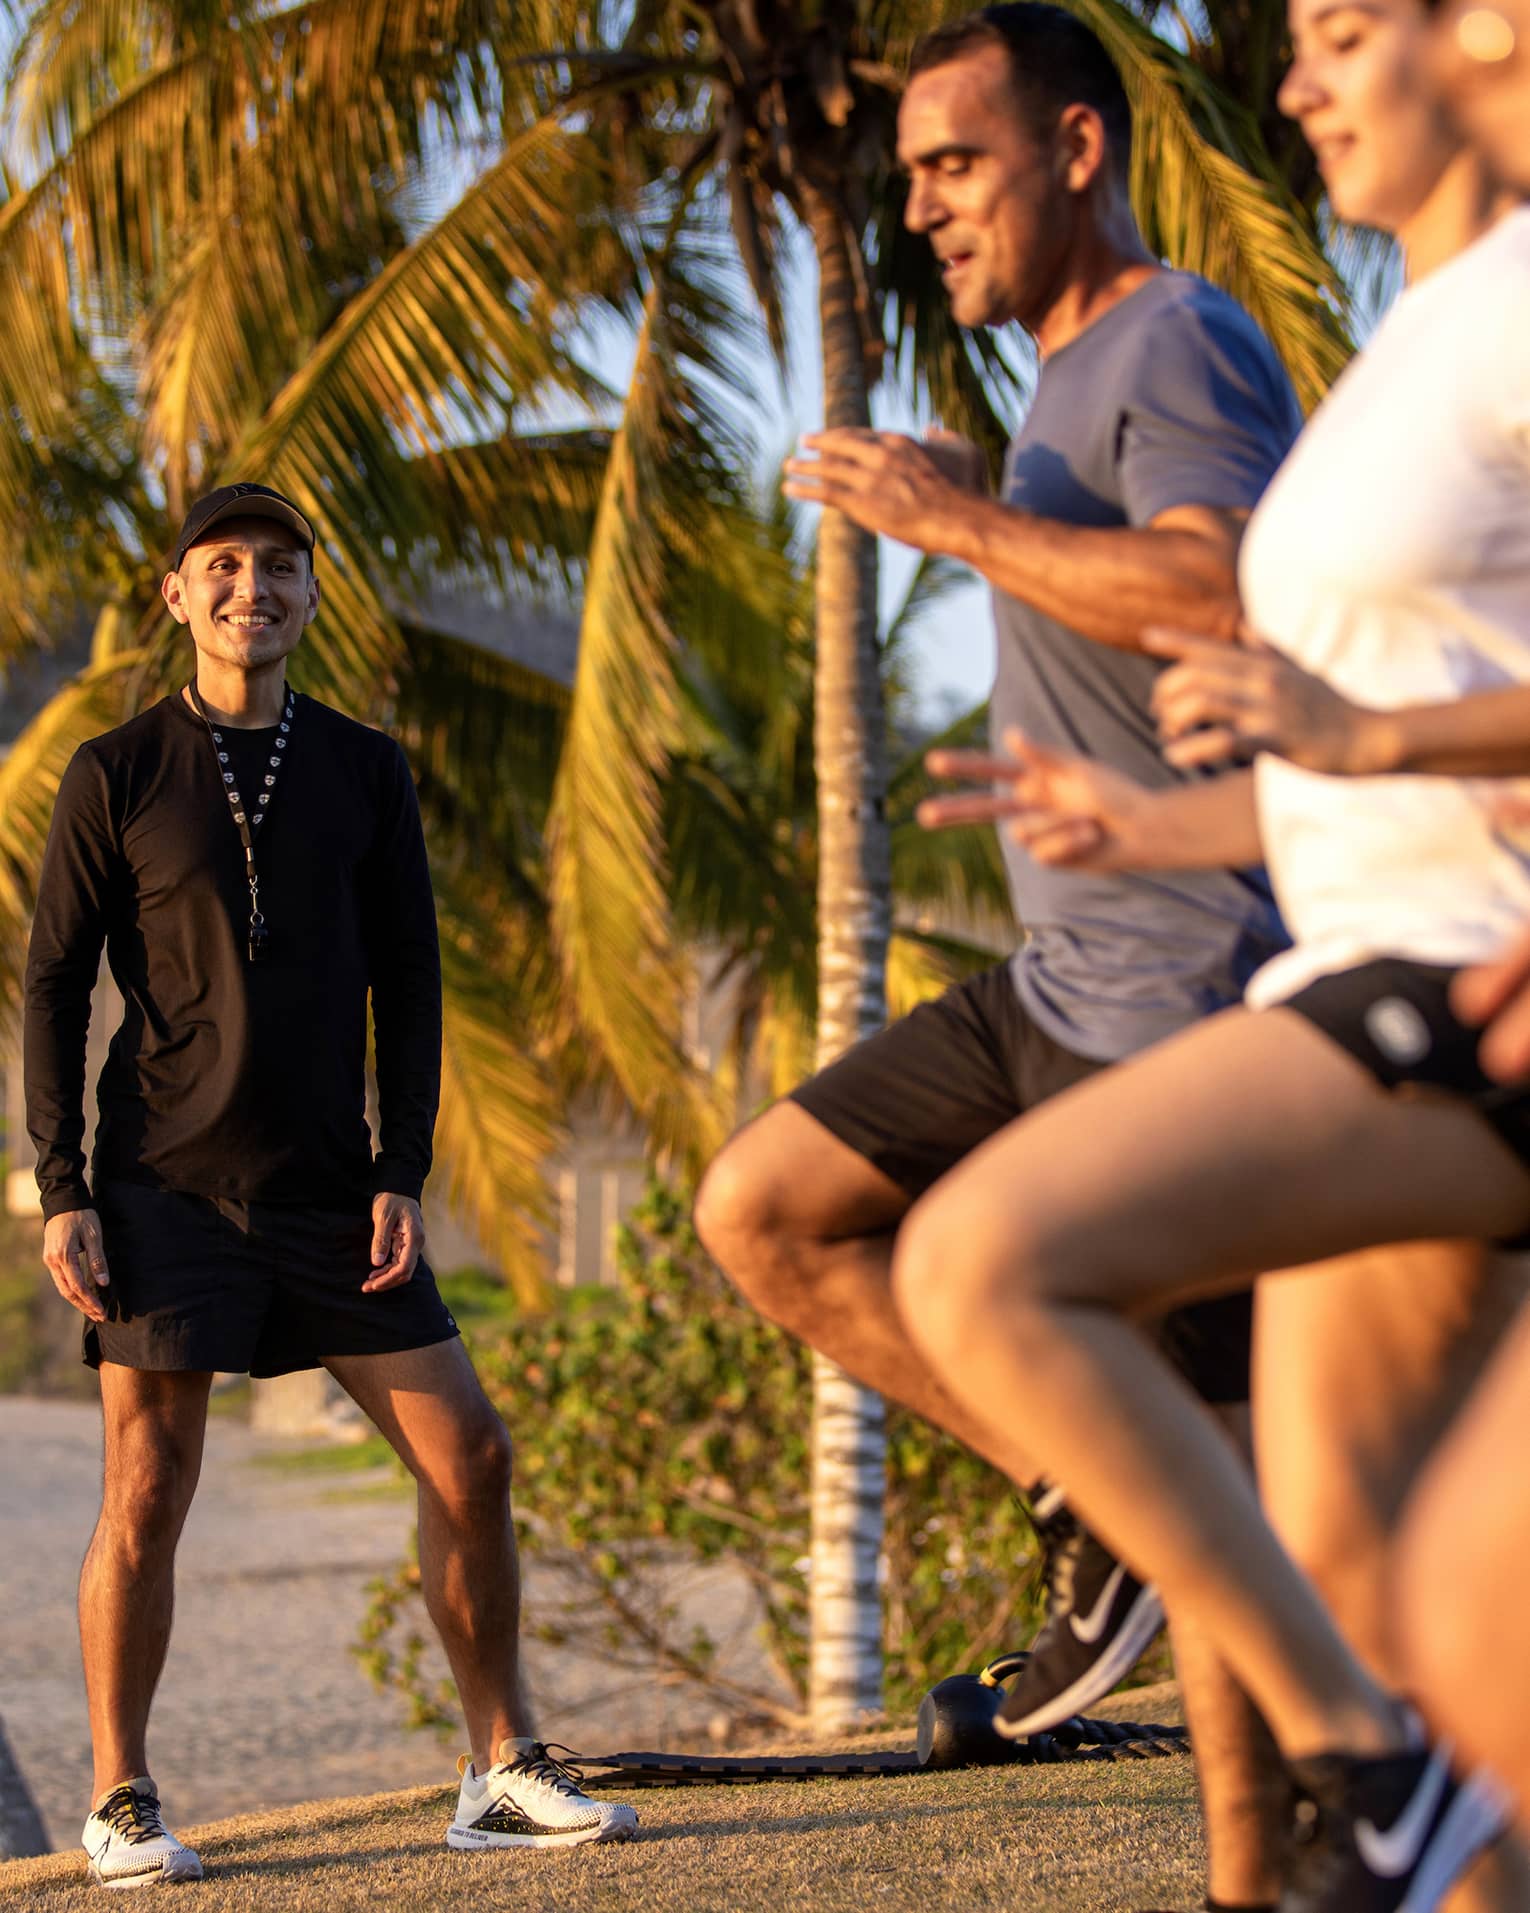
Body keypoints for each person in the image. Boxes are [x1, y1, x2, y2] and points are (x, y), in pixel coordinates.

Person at [895, 0, 1530, 1897]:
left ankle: (1377, 1778)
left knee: (988, 1261)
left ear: (1490, 31)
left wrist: (1367, 743)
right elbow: (1385, 724)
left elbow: (1388, 730)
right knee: (1382, 1597)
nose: (1295, 81)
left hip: (1458, 988)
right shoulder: (1414, 339)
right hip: (1355, 952)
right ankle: (1409, 1792)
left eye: (1341, 34)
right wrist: (1157, 821)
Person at [694, 7, 1304, 1905]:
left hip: (1187, 991)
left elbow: (1219, 586)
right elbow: (1103, 579)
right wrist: (990, 491)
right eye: (912, 185)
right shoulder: (1055, 378)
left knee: (1215, 1465)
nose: (927, 213)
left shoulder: (1176, 333)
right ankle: (1083, 1503)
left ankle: (1245, 1869)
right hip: (1058, 977)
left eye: (957, 168)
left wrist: (949, 518)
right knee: (766, 1207)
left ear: (1078, 148)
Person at [25, 483, 637, 1888]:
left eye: (283, 568)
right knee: (148, 1482)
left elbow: (410, 978)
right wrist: (65, 1186)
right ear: (179, 595)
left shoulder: (364, 767)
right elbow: (53, 988)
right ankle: (120, 1796)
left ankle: (498, 1767)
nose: (257, 587)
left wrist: (401, 1164)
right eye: (225, 565)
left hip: (328, 1192)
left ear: (311, 595)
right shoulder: (113, 772)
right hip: (160, 1188)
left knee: (470, 1454)